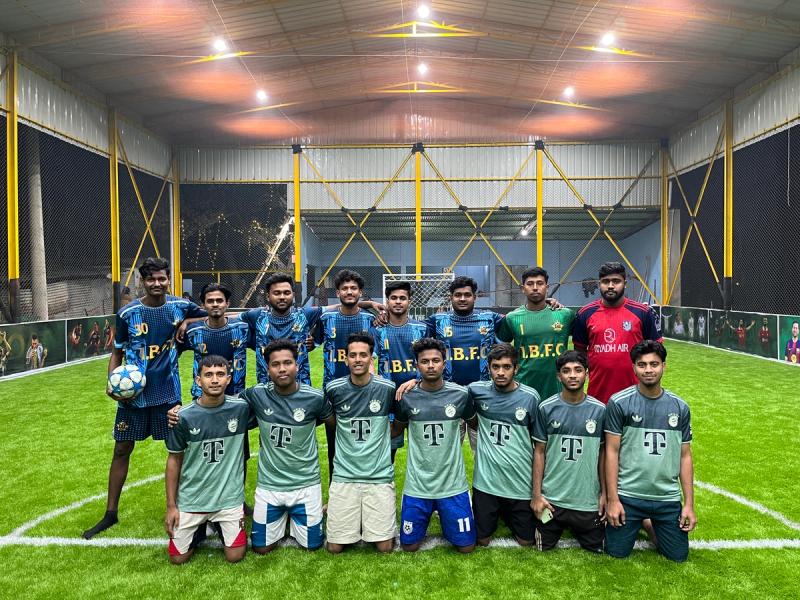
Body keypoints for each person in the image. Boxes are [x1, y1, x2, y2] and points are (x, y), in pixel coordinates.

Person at [83, 257, 206, 539]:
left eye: (162, 278)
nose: (157, 284)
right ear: (143, 281)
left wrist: (187, 320)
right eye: (151, 279)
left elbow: (213, 311)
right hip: (133, 397)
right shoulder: (128, 314)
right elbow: (117, 351)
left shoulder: (180, 306)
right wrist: (110, 381)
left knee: (178, 451)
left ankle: (185, 510)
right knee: (122, 449)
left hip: (167, 395)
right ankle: (110, 513)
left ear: (168, 279)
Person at [240, 339, 335, 553]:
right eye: (275, 364)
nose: (282, 369)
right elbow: (225, 406)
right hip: (269, 486)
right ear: (267, 368)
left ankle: (291, 518)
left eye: (288, 362)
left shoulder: (315, 398)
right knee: (261, 548)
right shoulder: (256, 394)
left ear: (297, 365)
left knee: (312, 546)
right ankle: (283, 519)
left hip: (305, 485)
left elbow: (335, 425)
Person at [605, 340, 696, 562]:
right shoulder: (619, 403)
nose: (648, 370)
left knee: (677, 556)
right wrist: (613, 500)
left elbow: (685, 456)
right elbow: (611, 452)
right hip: (629, 495)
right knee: (616, 553)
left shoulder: (680, 407)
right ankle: (641, 521)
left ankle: (649, 523)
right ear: (634, 368)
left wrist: (689, 505)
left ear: (664, 366)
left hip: (666, 497)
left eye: (654, 364)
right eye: (642, 365)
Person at [393, 338, 476, 553]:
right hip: (418, 485)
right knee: (409, 546)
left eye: (436, 360)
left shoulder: (460, 394)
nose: (431, 365)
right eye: (425, 361)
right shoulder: (407, 397)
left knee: (466, 547)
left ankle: (450, 518)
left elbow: (475, 422)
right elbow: (396, 430)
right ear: (416, 365)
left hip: (453, 484)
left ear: (444, 363)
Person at [164, 355, 249, 564]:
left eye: (220, 374)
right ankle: (200, 528)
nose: (214, 380)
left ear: (228, 379)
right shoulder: (182, 416)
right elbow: (174, 461)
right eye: (208, 375)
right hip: (193, 499)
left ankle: (218, 523)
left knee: (235, 556)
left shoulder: (241, 408)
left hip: (228, 499)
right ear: (197, 380)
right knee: (177, 558)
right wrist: (171, 506)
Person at [324, 333, 397, 554]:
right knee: (335, 547)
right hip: (345, 475)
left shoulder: (387, 389)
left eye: (363, 355)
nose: (357, 359)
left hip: (378, 476)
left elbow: (401, 419)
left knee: (384, 547)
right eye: (352, 355)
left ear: (371, 359)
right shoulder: (334, 389)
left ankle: (368, 516)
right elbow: (330, 421)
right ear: (345, 359)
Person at [532, 350, 606, 553]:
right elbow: (539, 452)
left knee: (598, 548)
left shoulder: (600, 410)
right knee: (541, 547)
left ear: (587, 374)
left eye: (578, 370)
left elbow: (603, 456)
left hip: (587, 502)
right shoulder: (546, 408)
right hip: (552, 503)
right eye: (566, 371)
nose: (572, 375)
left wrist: (604, 493)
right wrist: (537, 496)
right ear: (558, 376)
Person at [467, 343, 540, 547]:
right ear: (488, 367)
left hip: (519, 484)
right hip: (486, 484)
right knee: (481, 540)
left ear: (516, 369)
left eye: (506, 367)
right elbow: (446, 391)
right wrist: (414, 382)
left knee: (526, 541)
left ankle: (507, 512)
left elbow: (539, 444)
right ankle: (497, 511)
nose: (500, 372)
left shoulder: (530, 397)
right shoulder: (476, 390)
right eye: (495, 366)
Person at [573, 262, 662, 404]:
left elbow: (657, 352)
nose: (610, 286)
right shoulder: (585, 314)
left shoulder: (642, 313)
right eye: (605, 281)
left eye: (616, 281)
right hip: (598, 396)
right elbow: (579, 354)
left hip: (636, 395)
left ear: (625, 283)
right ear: (599, 283)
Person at [497, 267, 575, 400]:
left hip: (558, 387)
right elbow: (501, 348)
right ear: (523, 288)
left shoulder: (565, 315)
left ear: (547, 287)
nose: (535, 288)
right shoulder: (512, 318)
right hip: (524, 387)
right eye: (530, 284)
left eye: (539, 283)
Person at [372, 280, 428, 461]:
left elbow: (430, 361)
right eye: (393, 298)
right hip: (388, 398)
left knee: (422, 454)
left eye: (402, 298)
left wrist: (417, 380)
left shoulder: (421, 329)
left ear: (409, 301)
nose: (398, 302)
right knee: (387, 455)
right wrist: (377, 381)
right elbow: (371, 360)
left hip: (416, 395)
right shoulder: (378, 329)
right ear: (387, 301)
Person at [179, 284, 249, 401]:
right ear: (203, 305)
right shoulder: (193, 331)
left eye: (219, 300)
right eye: (210, 301)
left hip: (235, 396)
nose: (215, 304)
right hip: (201, 396)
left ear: (227, 303)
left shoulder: (242, 328)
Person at [316, 269, 383, 390]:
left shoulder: (370, 319)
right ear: (337, 293)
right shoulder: (326, 318)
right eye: (344, 288)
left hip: (363, 387)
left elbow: (372, 355)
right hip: (332, 386)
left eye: (353, 288)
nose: (349, 292)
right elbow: (312, 344)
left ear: (360, 292)